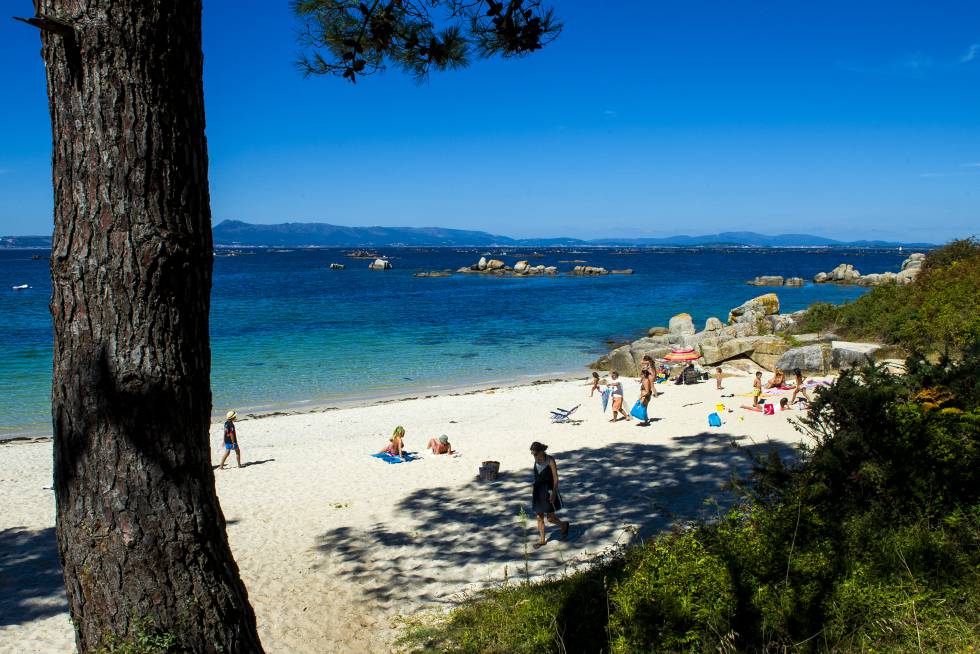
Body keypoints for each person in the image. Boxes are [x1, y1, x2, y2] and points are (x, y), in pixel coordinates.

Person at [529, 441, 570, 549]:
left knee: (550, 518)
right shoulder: (536, 458)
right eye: (532, 454)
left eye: (535, 453)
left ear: (541, 451)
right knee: (539, 517)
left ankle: (564, 525)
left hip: (549, 490)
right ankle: (542, 540)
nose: (534, 456)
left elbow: (556, 478)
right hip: (538, 490)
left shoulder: (550, 460)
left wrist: (554, 493)